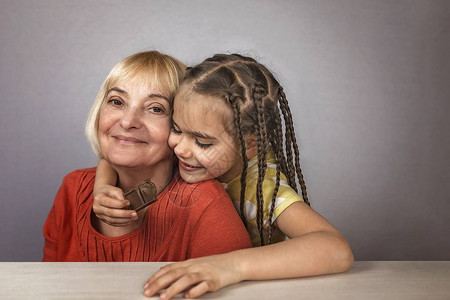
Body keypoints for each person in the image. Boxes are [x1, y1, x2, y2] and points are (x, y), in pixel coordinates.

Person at [93, 53, 354, 298]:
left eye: (203, 143)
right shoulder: (191, 157)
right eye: (176, 129)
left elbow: (335, 248)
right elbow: (112, 158)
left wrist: (230, 266)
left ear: (251, 145)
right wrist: (102, 188)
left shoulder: (260, 187)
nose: (180, 149)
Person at [42, 51, 252, 262]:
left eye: (155, 108)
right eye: (117, 102)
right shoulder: (73, 189)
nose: (128, 121)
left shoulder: (205, 205)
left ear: (182, 125)